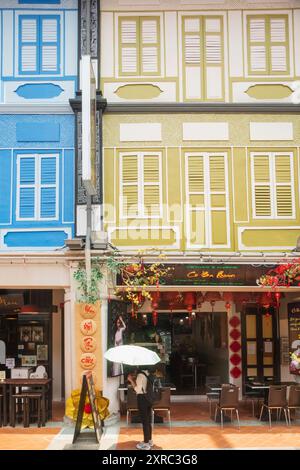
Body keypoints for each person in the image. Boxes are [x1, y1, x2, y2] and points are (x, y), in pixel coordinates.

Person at [127, 367, 153, 450]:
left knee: (144, 421)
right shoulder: (147, 373)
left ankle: (146, 443)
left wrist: (131, 380)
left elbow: (138, 389)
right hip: (148, 399)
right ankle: (149, 440)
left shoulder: (140, 375)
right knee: (148, 420)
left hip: (142, 399)